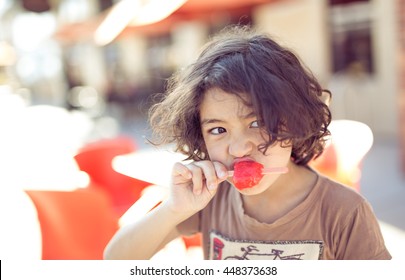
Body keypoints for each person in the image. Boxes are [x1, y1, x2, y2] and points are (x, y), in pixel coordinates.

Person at [104, 25, 391, 260]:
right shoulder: (209, 200)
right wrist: (175, 210)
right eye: (218, 130)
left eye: (257, 123)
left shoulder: (344, 212)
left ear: (294, 120)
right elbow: (115, 260)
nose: (239, 149)